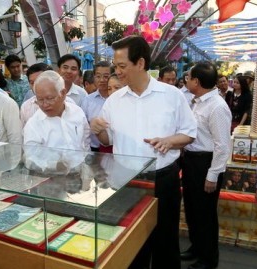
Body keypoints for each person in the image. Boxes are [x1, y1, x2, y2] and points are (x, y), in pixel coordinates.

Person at [90, 36, 197, 269]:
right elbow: (108, 138)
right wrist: (98, 131)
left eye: (121, 66)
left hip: (162, 178)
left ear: (140, 63)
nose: (116, 72)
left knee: (166, 240)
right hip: (126, 180)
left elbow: (189, 134)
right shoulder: (114, 100)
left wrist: (170, 141)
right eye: (115, 66)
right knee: (129, 241)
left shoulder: (171, 95)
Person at [180, 62, 232, 269]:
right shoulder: (197, 102)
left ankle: (208, 258)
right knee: (192, 209)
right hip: (192, 161)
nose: (186, 80)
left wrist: (212, 175)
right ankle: (196, 247)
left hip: (206, 163)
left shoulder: (217, 106)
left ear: (197, 82)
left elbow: (222, 146)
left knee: (205, 214)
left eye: (189, 77)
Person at [23, 70, 90, 151]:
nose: (45, 104)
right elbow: (33, 158)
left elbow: (86, 143)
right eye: (40, 100)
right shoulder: (33, 126)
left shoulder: (77, 112)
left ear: (63, 93)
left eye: (49, 98)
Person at [80, 61, 112, 152]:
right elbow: (83, 125)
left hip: (114, 148)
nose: (102, 80)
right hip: (93, 148)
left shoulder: (117, 100)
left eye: (106, 76)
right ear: (94, 77)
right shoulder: (88, 100)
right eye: (98, 76)